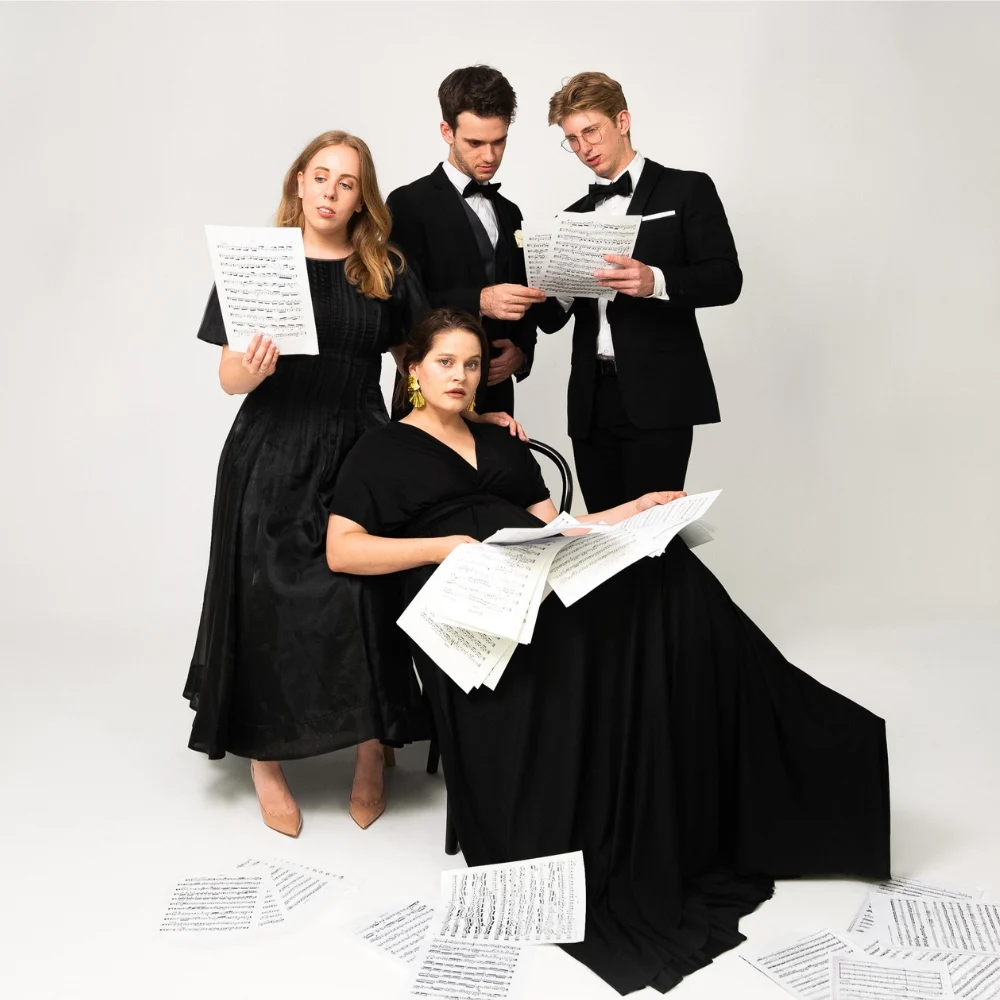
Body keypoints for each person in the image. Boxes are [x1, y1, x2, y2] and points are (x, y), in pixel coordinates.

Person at [325, 308, 891, 996]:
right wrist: (445, 547)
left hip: (533, 574)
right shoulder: (380, 450)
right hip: (463, 605)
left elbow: (556, 528)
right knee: (616, 614)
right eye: (445, 362)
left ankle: (720, 759)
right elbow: (343, 547)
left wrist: (632, 512)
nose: (461, 377)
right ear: (414, 369)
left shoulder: (500, 442)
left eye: (472, 364)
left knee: (668, 569)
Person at [184, 131, 516, 836]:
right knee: (268, 599)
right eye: (321, 177)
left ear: (361, 196)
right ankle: (265, 760)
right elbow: (227, 379)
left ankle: (373, 749)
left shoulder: (385, 267)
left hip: (362, 445)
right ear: (298, 183)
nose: (332, 192)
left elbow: (419, 357)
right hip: (271, 447)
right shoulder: (258, 263)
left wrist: (476, 415)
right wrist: (256, 365)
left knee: (365, 594)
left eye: (347, 182)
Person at [537, 71, 742, 511]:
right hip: (592, 402)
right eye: (571, 139)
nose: (583, 148)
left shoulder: (687, 189)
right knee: (602, 539)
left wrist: (657, 281)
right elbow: (551, 321)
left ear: (623, 121)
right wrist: (560, 287)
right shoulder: (572, 216)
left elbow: (727, 278)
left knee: (652, 541)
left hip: (660, 396)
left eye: (590, 131)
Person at [386, 65, 545, 416]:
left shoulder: (510, 212)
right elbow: (397, 305)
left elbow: (525, 294)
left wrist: (520, 353)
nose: (489, 157)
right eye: (475, 143)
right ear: (447, 131)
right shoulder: (407, 204)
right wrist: (479, 300)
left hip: (496, 392)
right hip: (427, 394)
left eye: (499, 141)